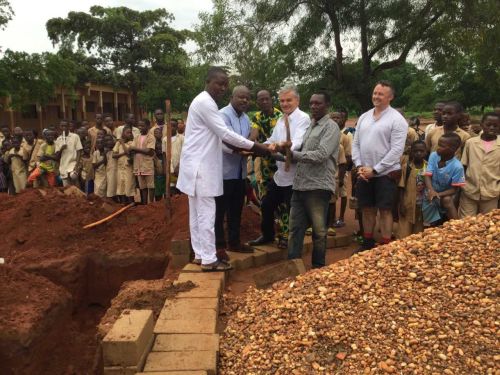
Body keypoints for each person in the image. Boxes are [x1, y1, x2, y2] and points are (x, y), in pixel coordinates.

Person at [176, 67, 270, 272]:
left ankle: (201, 254)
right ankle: (209, 259)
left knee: (199, 213)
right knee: (207, 213)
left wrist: (251, 147)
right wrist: (257, 147)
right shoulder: (206, 103)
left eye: (225, 84)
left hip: (196, 166)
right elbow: (225, 134)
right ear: (208, 81)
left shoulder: (203, 102)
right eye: (219, 83)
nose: (222, 87)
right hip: (202, 167)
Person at [248, 86, 310, 249]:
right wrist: (253, 147)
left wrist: (279, 146)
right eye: (282, 101)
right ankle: (268, 235)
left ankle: (293, 242)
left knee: (292, 211)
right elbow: (271, 139)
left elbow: (297, 143)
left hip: (295, 176)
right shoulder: (282, 119)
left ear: (297, 100)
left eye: (289, 100)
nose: (285, 104)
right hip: (280, 175)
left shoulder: (303, 118)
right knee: (267, 205)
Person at [352, 80, 407, 251]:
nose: (376, 96)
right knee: (367, 209)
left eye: (381, 94)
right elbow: (356, 144)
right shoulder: (364, 117)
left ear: (390, 97)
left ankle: (385, 245)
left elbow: (396, 150)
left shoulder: (397, 120)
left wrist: (375, 170)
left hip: (385, 174)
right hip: (364, 172)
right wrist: (359, 165)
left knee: (385, 210)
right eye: (375, 93)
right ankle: (367, 243)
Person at [287, 92, 340, 268]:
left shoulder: (331, 127)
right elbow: (296, 151)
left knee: (319, 231)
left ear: (327, 105)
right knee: (295, 229)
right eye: (311, 103)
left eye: (318, 103)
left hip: (318, 187)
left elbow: (321, 154)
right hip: (300, 185)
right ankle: (293, 266)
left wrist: (293, 155)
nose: (314, 106)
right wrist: (275, 153)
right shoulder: (310, 126)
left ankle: (318, 268)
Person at [215, 86, 253, 257]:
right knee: (219, 211)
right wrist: (240, 149)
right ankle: (219, 246)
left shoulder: (246, 118)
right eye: (241, 97)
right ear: (232, 97)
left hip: (240, 173)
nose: (244, 100)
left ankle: (235, 242)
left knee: (236, 209)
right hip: (223, 172)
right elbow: (224, 140)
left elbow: (248, 139)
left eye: (247, 98)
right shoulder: (222, 115)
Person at [459, 112, 499, 217]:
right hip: (469, 191)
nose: (491, 128)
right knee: (465, 223)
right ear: (481, 124)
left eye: (495, 126)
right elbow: (463, 165)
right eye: (488, 124)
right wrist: (463, 185)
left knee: (488, 223)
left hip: (492, 192)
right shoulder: (470, 143)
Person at [422, 133, 465, 225]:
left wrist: (437, 194)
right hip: (430, 191)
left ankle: (458, 227)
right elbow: (428, 175)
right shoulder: (434, 156)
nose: (438, 147)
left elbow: (454, 189)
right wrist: (431, 190)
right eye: (438, 144)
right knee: (430, 222)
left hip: (445, 194)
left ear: (453, 149)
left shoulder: (457, 166)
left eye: (442, 146)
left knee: (447, 200)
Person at [249, 90, 282, 200]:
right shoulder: (257, 117)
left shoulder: (281, 117)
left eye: (266, 99)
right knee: (265, 195)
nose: (264, 102)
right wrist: (253, 143)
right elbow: (253, 135)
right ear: (257, 102)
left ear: (271, 100)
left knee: (280, 196)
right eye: (261, 100)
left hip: (279, 161)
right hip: (264, 163)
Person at [398, 141, 427, 238]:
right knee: (404, 234)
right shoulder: (407, 168)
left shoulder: (428, 167)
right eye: (416, 151)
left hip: (422, 206)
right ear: (411, 152)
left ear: (426, 152)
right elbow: (401, 187)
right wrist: (401, 204)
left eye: (421, 151)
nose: (418, 153)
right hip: (408, 205)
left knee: (418, 234)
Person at [329, 110, 352, 228]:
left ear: (342, 120)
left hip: (340, 170)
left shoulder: (345, 137)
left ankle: (341, 217)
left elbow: (348, 156)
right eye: (333, 117)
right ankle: (330, 220)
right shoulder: (326, 135)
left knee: (342, 194)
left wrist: (342, 174)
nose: (335, 120)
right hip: (328, 171)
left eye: (338, 118)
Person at [130, 118, 155, 204]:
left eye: (142, 126)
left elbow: (149, 151)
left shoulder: (151, 137)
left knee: (150, 186)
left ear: (148, 126)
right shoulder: (137, 137)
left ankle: (151, 203)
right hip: (138, 166)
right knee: (142, 187)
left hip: (147, 165)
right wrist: (139, 150)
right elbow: (131, 149)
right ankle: (144, 204)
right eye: (139, 126)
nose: (140, 127)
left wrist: (136, 149)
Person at [55, 119, 83, 187]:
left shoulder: (75, 136)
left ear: (68, 127)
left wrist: (77, 165)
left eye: (66, 126)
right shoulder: (58, 139)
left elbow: (79, 151)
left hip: (73, 163)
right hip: (64, 165)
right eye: (62, 126)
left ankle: (79, 195)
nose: (64, 128)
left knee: (73, 177)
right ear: (60, 127)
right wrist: (61, 149)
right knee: (66, 186)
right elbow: (57, 156)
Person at [162, 119, 184, 195]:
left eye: (174, 126)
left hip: (180, 167)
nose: (172, 128)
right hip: (170, 168)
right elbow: (164, 154)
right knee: (171, 187)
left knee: (181, 186)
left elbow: (185, 153)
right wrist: (165, 168)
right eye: (170, 126)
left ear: (177, 127)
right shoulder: (165, 139)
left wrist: (179, 165)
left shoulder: (181, 138)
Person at [113, 127, 135, 204]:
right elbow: (114, 155)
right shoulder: (117, 144)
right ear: (123, 134)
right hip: (120, 168)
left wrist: (122, 142)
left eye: (130, 133)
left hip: (128, 168)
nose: (129, 134)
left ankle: (131, 203)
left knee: (129, 186)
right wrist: (122, 153)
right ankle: (123, 203)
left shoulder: (132, 143)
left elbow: (128, 153)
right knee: (121, 186)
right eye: (127, 132)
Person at [153, 127, 166, 200]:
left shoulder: (164, 142)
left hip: (163, 161)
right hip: (156, 162)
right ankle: (158, 201)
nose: (157, 134)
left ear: (161, 134)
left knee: (164, 185)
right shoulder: (153, 143)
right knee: (157, 187)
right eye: (155, 133)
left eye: (159, 133)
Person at [104, 135, 117, 201]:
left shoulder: (116, 150)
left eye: (110, 140)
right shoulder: (106, 152)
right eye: (106, 141)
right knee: (111, 189)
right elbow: (105, 163)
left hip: (118, 172)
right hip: (110, 172)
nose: (108, 142)